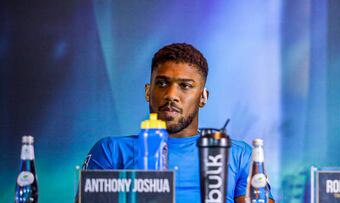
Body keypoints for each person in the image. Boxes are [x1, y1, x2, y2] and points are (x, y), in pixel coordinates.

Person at [80, 43, 274, 203]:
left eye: (185, 86)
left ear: (203, 97)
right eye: (162, 83)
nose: (171, 95)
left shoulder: (237, 155)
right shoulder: (111, 151)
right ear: (148, 91)